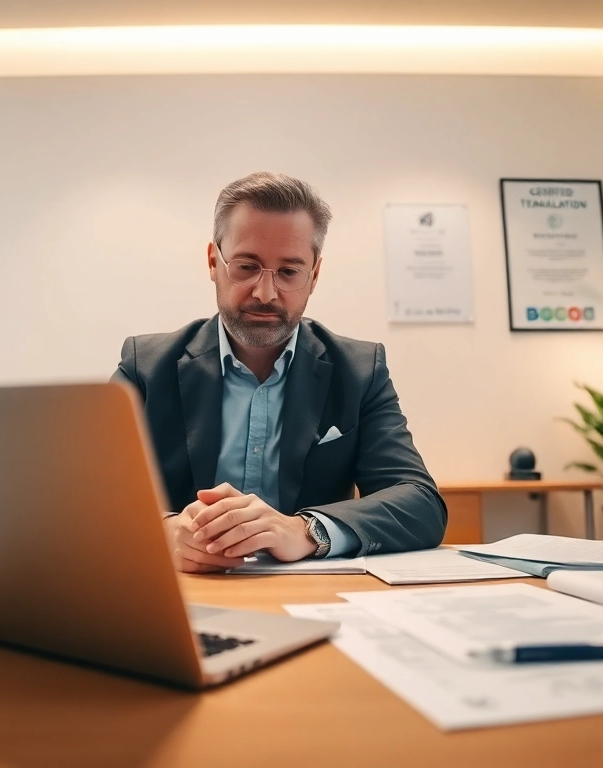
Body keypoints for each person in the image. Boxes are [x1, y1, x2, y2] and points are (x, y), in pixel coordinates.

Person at [114, 172, 446, 573]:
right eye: (247, 266)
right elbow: (79, 491)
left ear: (314, 276)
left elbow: (420, 502)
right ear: (213, 263)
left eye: (289, 272)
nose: (265, 293)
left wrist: (306, 532)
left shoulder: (359, 371)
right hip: (182, 594)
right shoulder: (145, 367)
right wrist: (164, 531)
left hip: (310, 596)